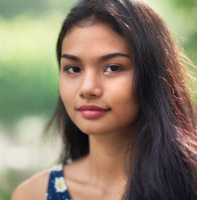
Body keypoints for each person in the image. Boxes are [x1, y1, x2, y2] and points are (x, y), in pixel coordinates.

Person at [11, 0, 197, 199]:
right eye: (73, 69)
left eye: (113, 68)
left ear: (153, 76)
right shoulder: (34, 194)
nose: (87, 88)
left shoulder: (189, 184)